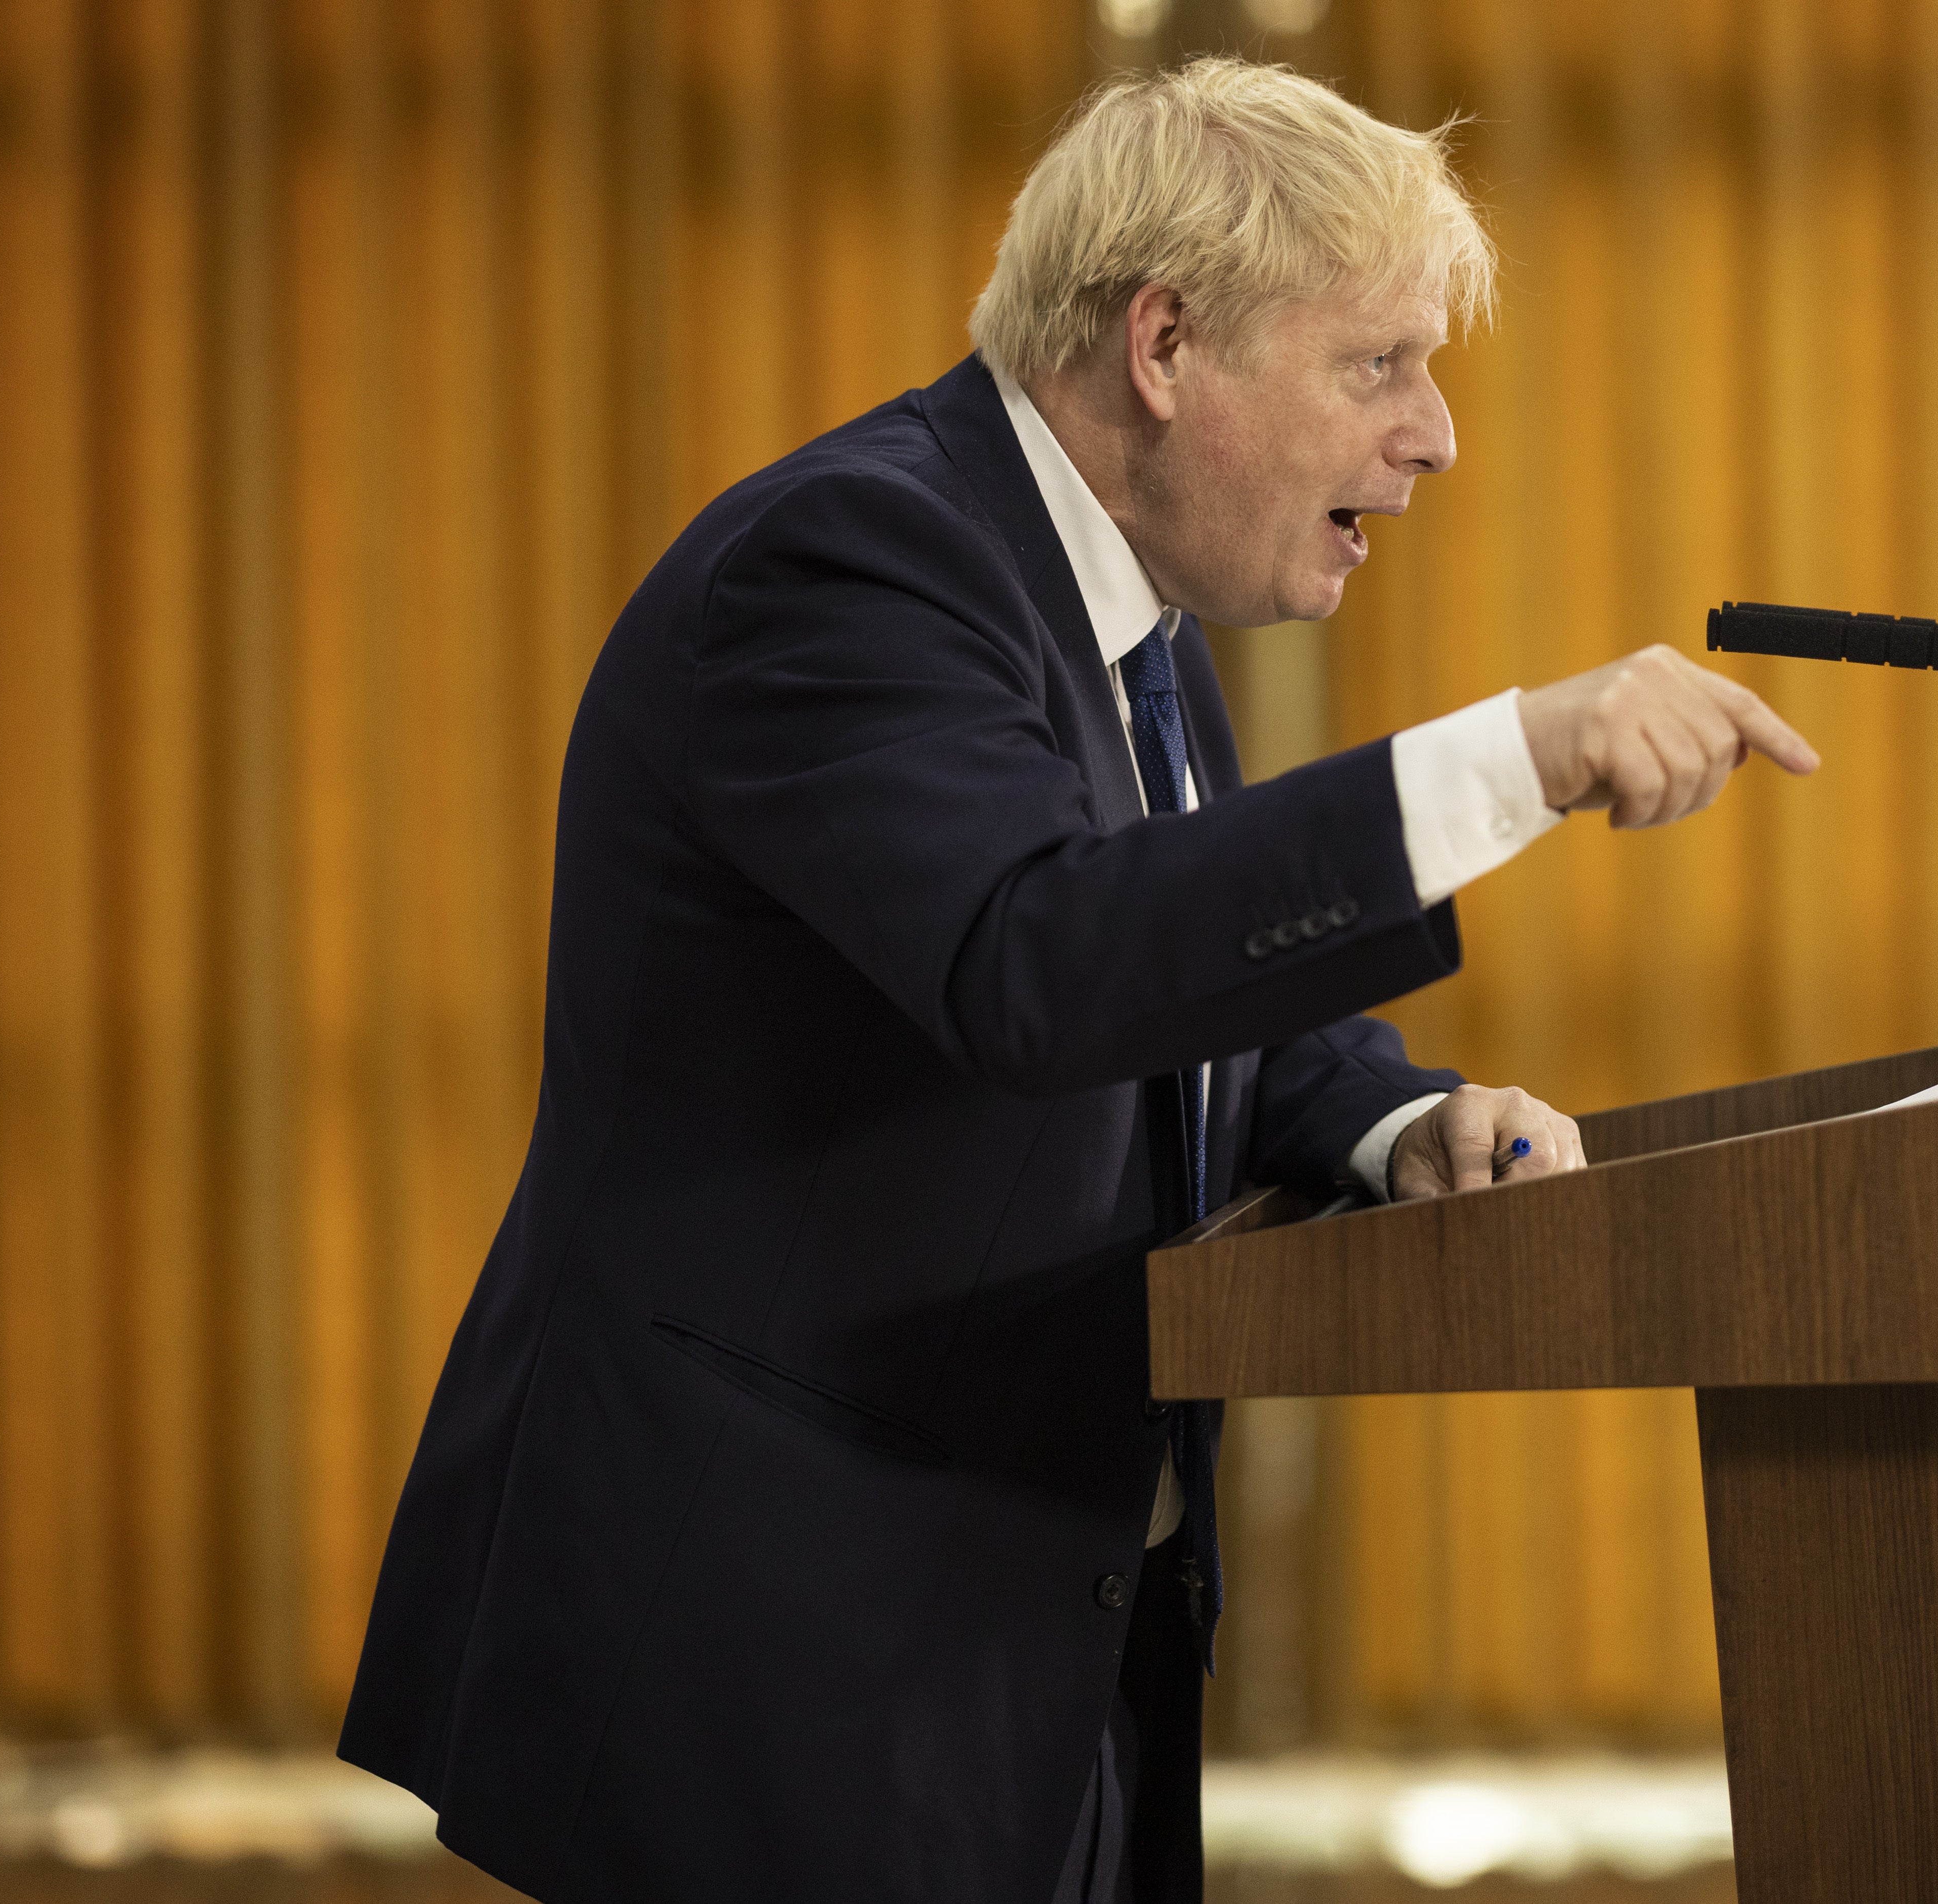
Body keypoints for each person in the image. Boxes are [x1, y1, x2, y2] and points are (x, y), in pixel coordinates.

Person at [338, 56, 1815, 1904]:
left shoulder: (1124, 621)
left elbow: (1198, 990)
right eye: (1381, 365)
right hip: (787, 1661)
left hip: (1034, 1653)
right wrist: (1510, 757)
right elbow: (1040, 963)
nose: (1435, 435)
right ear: (1166, 341)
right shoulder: (854, 566)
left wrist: (1400, 1122)